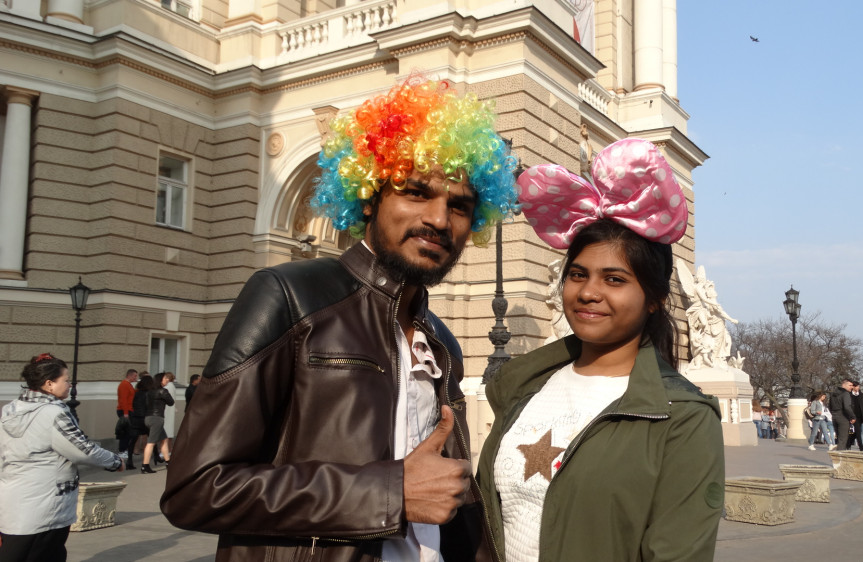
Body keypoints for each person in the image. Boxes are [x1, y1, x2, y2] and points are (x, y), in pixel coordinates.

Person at [160, 74, 519, 561]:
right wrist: (390, 493)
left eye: (459, 206)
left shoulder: (442, 342)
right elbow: (195, 487)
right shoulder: (290, 296)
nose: (439, 219)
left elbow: (445, 493)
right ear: (369, 197)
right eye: (416, 192)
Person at [477, 138, 725, 561]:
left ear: (654, 299)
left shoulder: (684, 417)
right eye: (578, 275)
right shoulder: (524, 388)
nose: (588, 292)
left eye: (614, 279)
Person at [0, 354, 123, 561]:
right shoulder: (53, 413)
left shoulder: (11, 409)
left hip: (13, 501)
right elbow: (83, 450)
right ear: (49, 384)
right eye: (66, 380)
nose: (70, 385)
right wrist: (115, 461)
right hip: (45, 507)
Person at [142, 372, 174, 473]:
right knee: (151, 443)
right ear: (160, 380)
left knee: (164, 439)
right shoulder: (163, 391)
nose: (167, 380)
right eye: (165, 378)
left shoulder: (149, 392)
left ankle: (168, 462)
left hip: (148, 417)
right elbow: (171, 402)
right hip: (157, 419)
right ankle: (145, 466)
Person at [115, 368, 138, 469]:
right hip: (125, 410)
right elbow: (123, 399)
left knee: (128, 432)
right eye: (135, 376)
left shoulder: (128, 385)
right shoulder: (124, 385)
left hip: (128, 410)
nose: (136, 378)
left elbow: (132, 394)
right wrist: (125, 413)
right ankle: (122, 450)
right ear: (130, 375)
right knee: (126, 432)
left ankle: (123, 450)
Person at [829, 378, 856, 450]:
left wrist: (834, 414)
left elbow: (830, 406)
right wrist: (852, 416)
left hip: (834, 416)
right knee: (843, 439)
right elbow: (847, 407)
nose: (852, 387)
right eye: (850, 385)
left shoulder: (833, 394)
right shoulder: (845, 394)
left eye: (852, 385)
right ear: (844, 385)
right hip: (843, 417)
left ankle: (839, 453)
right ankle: (840, 455)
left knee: (839, 438)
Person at [847, 381, 863, 451]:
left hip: (860, 417)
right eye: (857, 386)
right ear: (853, 387)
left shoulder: (861, 395)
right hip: (852, 416)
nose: (858, 388)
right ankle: (861, 448)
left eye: (859, 386)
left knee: (856, 432)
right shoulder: (849, 394)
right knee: (858, 431)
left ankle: (848, 444)